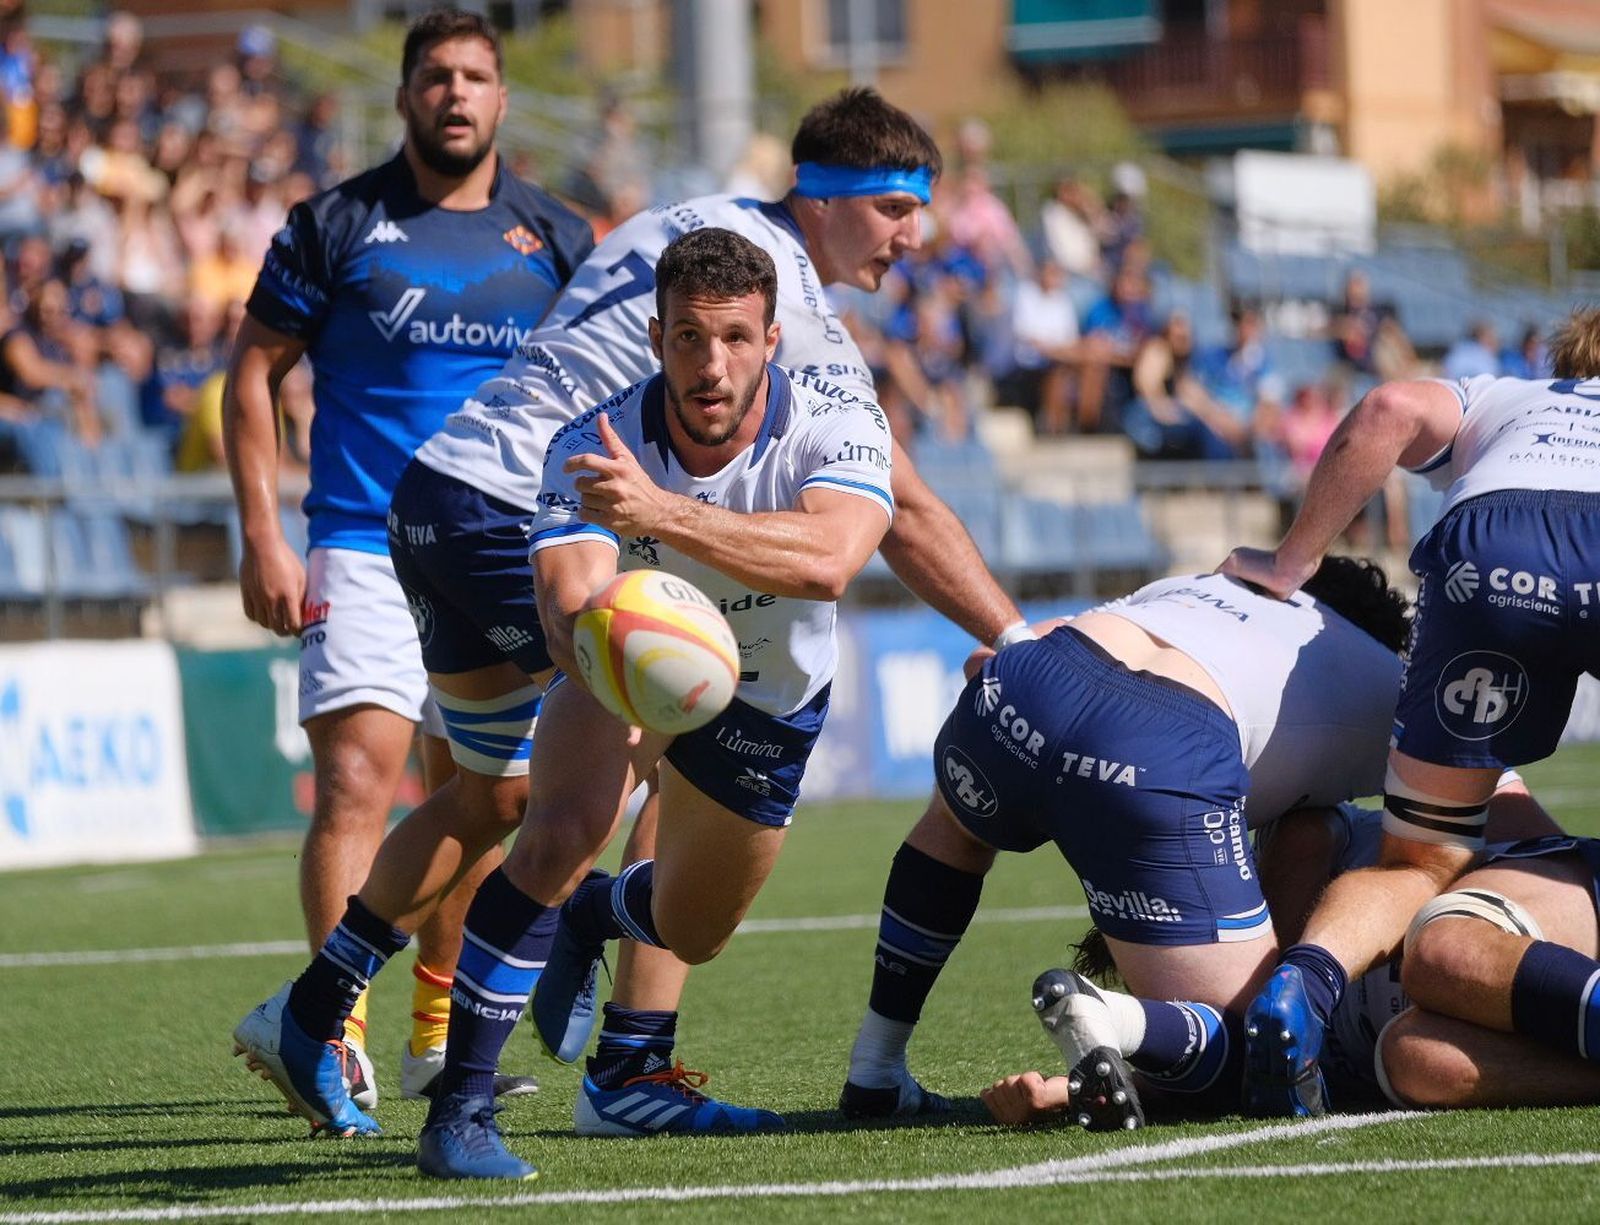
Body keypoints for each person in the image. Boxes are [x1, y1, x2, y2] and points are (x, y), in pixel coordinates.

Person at [229, 84, 1027, 1147]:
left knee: (488, 796)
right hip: (538, 509)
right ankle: (623, 1063)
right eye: (895, 208)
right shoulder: (776, 295)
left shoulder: (691, 228)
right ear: (825, 200)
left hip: (442, 495)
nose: (911, 237)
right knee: (643, 733)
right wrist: (1017, 639)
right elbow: (899, 508)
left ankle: (312, 1008)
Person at [416, 227, 895, 1178]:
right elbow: (572, 599)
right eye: (686, 338)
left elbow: (832, 559)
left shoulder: (839, 421)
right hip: (630, 663)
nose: (709, 365)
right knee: (560, 830)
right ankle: (458, 1110)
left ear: (770, 342)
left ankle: (594, 916)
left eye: (733, 338)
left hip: (770, 693)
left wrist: (664, 515)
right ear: (655, 338)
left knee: (694, 928)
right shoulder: (591, 445)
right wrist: (595, 626)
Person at [224, 8, 592, 1112]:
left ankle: (438, 1041)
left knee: (485, 797)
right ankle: (332, 1037)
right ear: (402, 96)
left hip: (497, 551)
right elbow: (253, 375)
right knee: (354, 780)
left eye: (476, 76)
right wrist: (260, 530)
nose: (456, 93)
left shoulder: (560, 237)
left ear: (503, 100)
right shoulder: (334, 223)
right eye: (435, 76)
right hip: (359, 541)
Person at [839, 558, 1409, 1126]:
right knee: (1261, 1053)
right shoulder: (1387, 677)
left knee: (955, 829)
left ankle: (876, 1066)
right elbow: (1477, 802)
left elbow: (983, 661)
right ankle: (1110, 1017)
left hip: (1027, 681)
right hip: (1164, 742)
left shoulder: (1206, 585)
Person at [1221, 307, 1600, 1117]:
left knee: (1417, 864)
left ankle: (1305, 982)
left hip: (1491, 544)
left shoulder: (1507, 397)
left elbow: (1388, 409)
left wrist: (1294, 560)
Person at [982, 783, 1599, 1124]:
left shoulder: (1280, 850)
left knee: (1440, 951)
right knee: (1414, 1061)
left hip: (1536, 911)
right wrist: (1064, 1089)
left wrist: (1273, 980)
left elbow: (1313, 828)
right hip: (1478, 1019)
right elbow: (1191, 1076)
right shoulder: (1231, 1022)